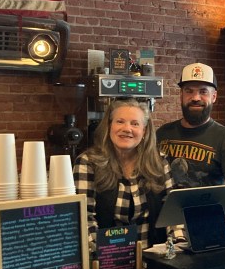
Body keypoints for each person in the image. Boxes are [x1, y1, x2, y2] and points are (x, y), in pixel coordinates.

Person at [156, 62, 225, 232]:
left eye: (203, 91)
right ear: (181, 95)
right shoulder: (162, 133)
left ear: (214, 96)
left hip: (206, 228)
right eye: (189, 91)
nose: (195, 97)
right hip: (163, 229)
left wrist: (223, 230)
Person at [74, 98, 173, 248]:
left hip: (153, 255)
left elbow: (171, 209)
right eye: (120, 122)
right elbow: (83, 217)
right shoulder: (88, 162)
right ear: (109, 126)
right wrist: (101, 253)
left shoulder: (159, 161)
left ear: (144, 131)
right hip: (108, 256)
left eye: (135, 124)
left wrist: (176, 245)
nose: (127, 128)